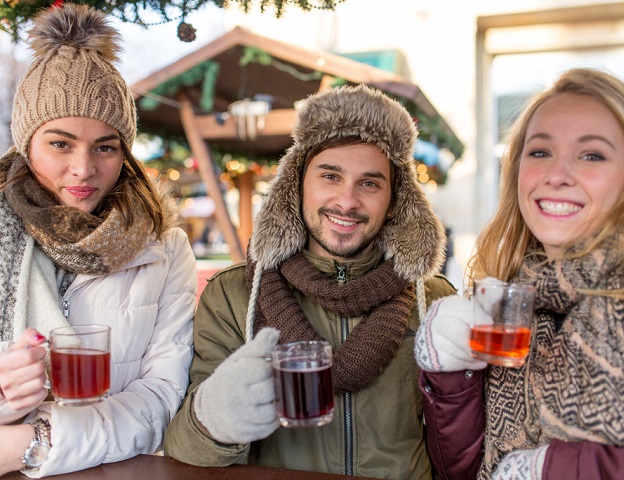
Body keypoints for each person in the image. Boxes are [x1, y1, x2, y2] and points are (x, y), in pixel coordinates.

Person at [164, 84, 455, 479]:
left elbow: (456, 437)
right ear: (297, 185)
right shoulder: (234, 295)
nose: (347, 201)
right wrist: (214, 417)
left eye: (370, 183)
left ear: (395, 200)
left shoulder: (435, 300)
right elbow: (184, 451)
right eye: (330, 176)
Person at [0, 4, 197, 477]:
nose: (84, 169)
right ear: (26, 142)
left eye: (105, 147)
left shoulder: (163, 249)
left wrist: (33, 442)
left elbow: (160, 398)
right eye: (61, 143)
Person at [414, 67, 624, 480]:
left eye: (591, 155)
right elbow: (459, 472)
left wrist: (557, 469)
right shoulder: (508, 294)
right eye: (540, 152)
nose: (557, 174)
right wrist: (451, 379)